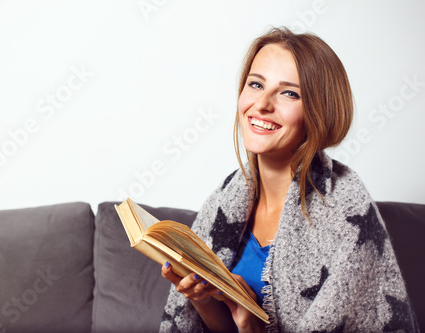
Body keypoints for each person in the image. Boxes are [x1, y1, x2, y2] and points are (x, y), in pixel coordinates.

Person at [159, 27, 418, 333]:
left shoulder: (346, 207)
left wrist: (252, 327)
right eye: (256, 84)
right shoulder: (224, 201)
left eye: (289, 93)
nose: (263, 104)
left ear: (319, 111)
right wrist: (203, 301)